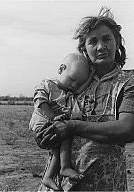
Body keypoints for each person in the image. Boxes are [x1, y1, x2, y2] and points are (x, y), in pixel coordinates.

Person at [31, 7, 134, 191]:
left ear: (117, 41)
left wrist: (73, 126)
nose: (101, 46)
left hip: (105, 184)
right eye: (93, 41)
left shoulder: (130, 84)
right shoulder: (73, 81)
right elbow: (46, 114)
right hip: (60, 187)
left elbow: (127, 129)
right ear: (84, 48)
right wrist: (46, 135)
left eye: (107, 38)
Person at [29, 53, 94, 190]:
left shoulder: (68, 91)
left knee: (63, 141)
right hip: (43, 121)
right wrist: (53, 117)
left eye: (77, 83)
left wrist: (90, 77)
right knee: (60, 142)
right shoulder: (47, 84)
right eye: (71, 79)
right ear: (61, 69)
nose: (73, 85)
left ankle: (54, 173)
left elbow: (81, 89)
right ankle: (57, 171)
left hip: (56, 123)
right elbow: (41, 102)